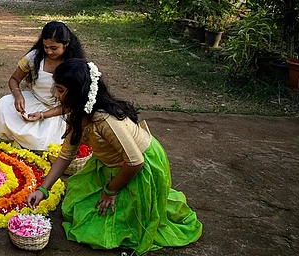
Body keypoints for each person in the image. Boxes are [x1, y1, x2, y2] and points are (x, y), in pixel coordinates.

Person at [27, 59, 202, 254]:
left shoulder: (105, 121)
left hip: (138, 168)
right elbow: (66, 154)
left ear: (78, 94)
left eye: (60, 90)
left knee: (99, 231)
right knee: (76, 209)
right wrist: (43, 189)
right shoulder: (77, 112)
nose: (55, 94)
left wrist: (110, 191)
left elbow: (135, 162)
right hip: (112, 164)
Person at [0, 21, 85, 150]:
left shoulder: (73, 66)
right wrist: (18, 96)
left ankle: (24, 141)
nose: (49, 52)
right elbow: (14, 79)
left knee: (40, 142)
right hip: (33, 99)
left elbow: (72, 104)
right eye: (45, 47)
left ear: (66, 44)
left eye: (54, 48)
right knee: (3, 104)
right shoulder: (35, 57)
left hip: (58, 110)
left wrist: (43, 115)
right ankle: (17, 139)